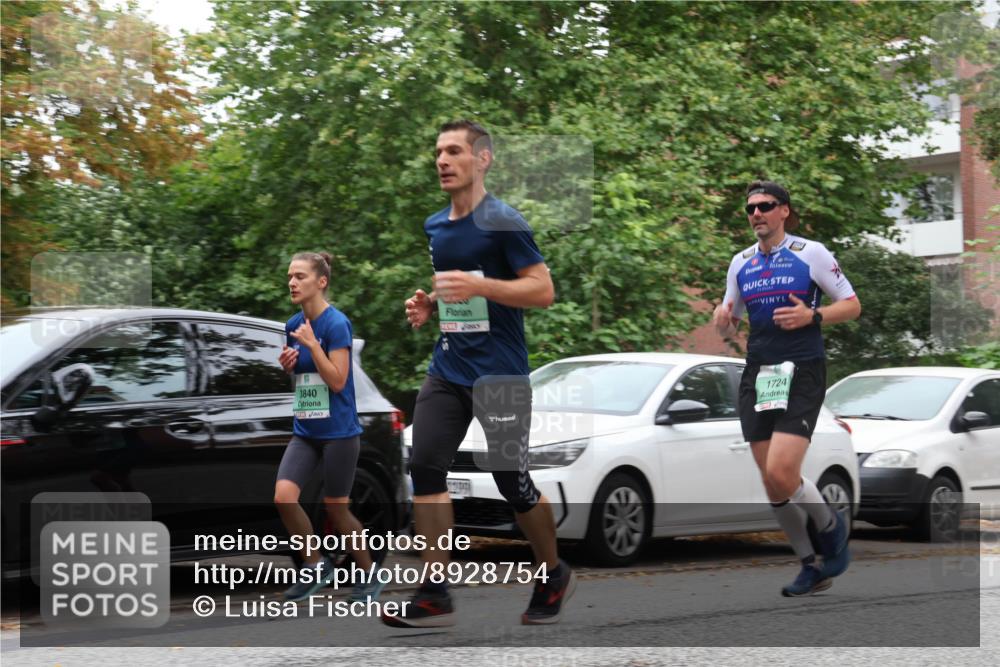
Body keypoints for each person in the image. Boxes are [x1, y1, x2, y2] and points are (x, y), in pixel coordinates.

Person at [381, 120, 575, 628]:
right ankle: (435, 589)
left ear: (482, 159)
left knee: (511, 479)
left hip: (500, 374)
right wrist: (431, 303)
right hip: (449, 367)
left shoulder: (503, 221)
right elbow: (455, 283)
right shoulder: (436, 226)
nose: (442, 161)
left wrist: (479, 286)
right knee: (424, 467)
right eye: (438, 152)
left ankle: (552, 571)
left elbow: (541, 291)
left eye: (453, 152)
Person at [713, 181, 861, 597]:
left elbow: (852, 304)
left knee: (783, 471)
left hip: (803, 370)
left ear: (784, 212)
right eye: (751, 209)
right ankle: (810, 565)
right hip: (761, 373)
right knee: (771, 481)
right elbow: (731, 315)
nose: (757, 213)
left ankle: (831, 527)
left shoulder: (810, 253)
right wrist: (723, 318)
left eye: (766, 206)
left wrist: (812, 316)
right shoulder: (740, 262)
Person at [274, 251, 384, 603]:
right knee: (283, 497)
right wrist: (289, 364)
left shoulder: (337, 324)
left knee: (337, 509)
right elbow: (307, 377)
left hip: (338, 433)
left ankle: (368, 575)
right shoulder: (293, 324)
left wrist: (311, 346)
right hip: (306, 430)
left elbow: (337, 381)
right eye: (290, 276)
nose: (292, 282)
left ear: (321, 282)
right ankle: (316, 564)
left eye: (300, 276)